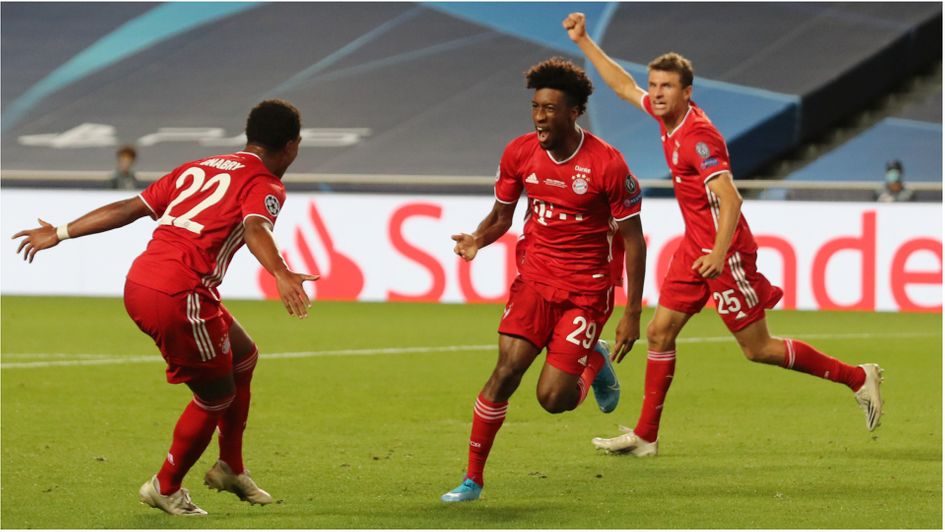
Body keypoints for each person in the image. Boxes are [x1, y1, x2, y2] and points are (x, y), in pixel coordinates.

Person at [562, 13, 883, 456]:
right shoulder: (667, 119)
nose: (655, 93)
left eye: (666, 86)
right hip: (696, 248)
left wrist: (717, 253)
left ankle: (857, 377)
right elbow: (621, 85)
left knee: (758, 349)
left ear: (686, 92)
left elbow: (731, 200)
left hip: (723, 252)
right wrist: (584, 42)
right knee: (659, 333)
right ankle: (646, 437)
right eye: (653, 85)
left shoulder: (698, 138)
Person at [12, 99, 318, 515]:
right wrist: (280, 272)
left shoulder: (200, 166)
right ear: (291, 145)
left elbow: (129, 208)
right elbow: (255, 226)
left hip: (143, 281)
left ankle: (231, 465)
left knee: (243, 356)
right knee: (215, 397)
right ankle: (166, 485)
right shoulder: (264, 182)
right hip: (181, 294)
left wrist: (62, 232)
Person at [440, 57, 647, 502]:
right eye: (535, 107)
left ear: (574, 112)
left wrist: (631, 313)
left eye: (550, 109)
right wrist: (478, 238)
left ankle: (595, 361)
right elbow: (501, 216)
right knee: (504, 373)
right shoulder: (519, 152)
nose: (539, 117)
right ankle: (472, 480)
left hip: (586, 290)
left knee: (553, 399)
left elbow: (634, 241)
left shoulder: (608, 165)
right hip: (534, 280)